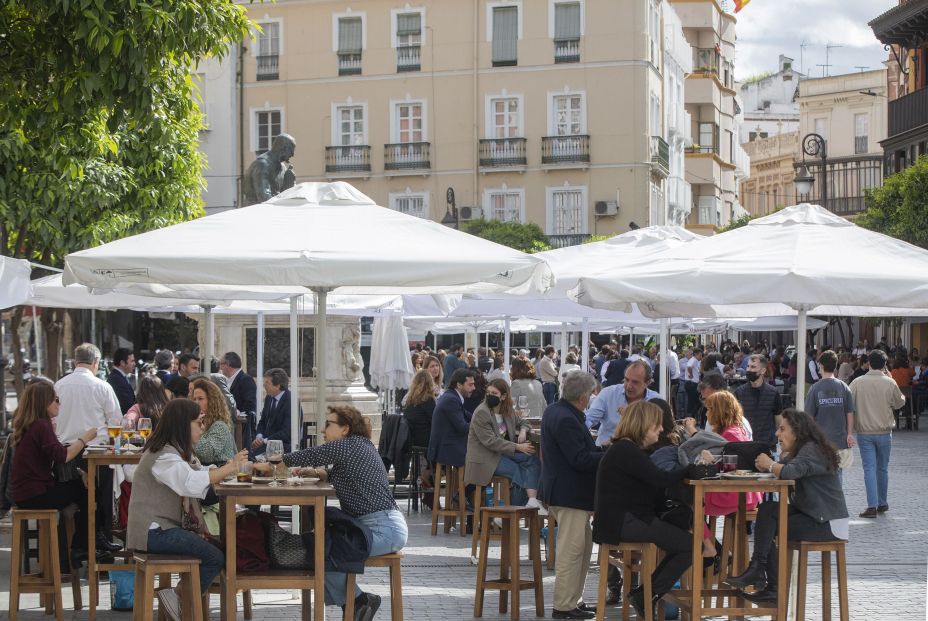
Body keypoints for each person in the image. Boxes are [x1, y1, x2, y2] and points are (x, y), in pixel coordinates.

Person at [256, 405, 408, 620]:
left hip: (384, 529)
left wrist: (274, 462)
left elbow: (314, 454)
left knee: (324, 551)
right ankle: (358, 604)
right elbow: (340, 473)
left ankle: (358, 602)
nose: (322, 430)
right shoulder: (357, 447)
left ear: (345, 429)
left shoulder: (349, 445)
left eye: (328, 424)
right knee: (319, 547)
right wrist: (319, 473)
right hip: (377, 525)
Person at [127, 398, 248, 621]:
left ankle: (181, 600)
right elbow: (190, 482)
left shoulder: (178, 452)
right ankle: (180, 600)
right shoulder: (163, 455)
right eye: (199, 422)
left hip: (162, 529)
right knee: (214, 555)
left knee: (224, 547)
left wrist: (227, 471)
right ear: (184, 424)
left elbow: (201, 474)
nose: (203, 428)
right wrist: (231, 467)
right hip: (153, 532)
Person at [726, 409, 849, 604]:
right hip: (813, 515)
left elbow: (789, 472)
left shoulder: (811, 449)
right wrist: (769, 465)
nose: (777, 434)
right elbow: (782, 468)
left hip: (828, 522)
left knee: (770, 521)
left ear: (797, 431)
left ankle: (764, 578)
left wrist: (770, 465)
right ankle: (765, 578)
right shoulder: (801, 450)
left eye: (782, 429)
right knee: (768, 511)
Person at [594, 400, 694, 619]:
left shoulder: (625, 448)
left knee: (683, 541)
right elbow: (660, 479)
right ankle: (646, 594)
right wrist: (692, 469)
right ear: (643, 424)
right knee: (689, 546)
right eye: (656, 425)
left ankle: (646, 593)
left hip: (623, 521)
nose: (660, 429)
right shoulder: (626, 450)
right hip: (626, 522)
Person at [11, 381, 98, 569]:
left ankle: (68, 556)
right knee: (87, 491)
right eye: (56, 400)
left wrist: (78, 471)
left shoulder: (32, 425)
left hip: (26, 494)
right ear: (44, 402)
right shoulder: (41, 426)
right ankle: (82, 546)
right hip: (35, 495)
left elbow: (52, 457)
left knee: (78, 487)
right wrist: (85, 438)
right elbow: (62, 456)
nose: (59, 404)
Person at [540, 371, 603, 619]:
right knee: (571, 551)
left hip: (567, 493)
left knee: (583, 549)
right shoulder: (566, 417)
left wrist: (600, 450)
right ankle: (563, 606)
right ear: (583, 396)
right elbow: (578, 459)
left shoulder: (557, 411)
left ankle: (573, 599)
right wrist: (607, 455)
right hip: (569, 494)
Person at [54, 343, 123, 552]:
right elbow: (116, 422)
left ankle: (66, 559)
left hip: (64, 453)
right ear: (96, 363)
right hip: (96, 454)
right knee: (100, 503)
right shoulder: (102, 387)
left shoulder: (59, 385)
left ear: (75, 361)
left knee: (66, 504)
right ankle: (101, 556)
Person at [464, 379, 543, 511]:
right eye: (488, 392)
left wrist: (523, 430)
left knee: (533, 461)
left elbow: (524, 422)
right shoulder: (482, 412)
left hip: (503, 455)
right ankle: (510, 511)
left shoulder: (507, 411)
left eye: (494, 393)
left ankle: (531, 501)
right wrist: (518, 447)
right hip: (486, 459)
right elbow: (491, 441)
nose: (490, 395)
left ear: (503, 396)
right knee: (520, 472)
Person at [849, 349, 904, 518]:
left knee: (869, 468)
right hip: (885, 431)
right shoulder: (889, 382)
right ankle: (882, 502)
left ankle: (871, 505)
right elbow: (899, 403)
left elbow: (848, 402)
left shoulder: (857, 382)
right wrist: (891, 380)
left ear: (869, 363)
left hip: (865, 431)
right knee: (883, 468)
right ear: (885, 364)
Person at [804, 350, 855, 484]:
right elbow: (850, 412)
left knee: (820, 475)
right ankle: (836, 501)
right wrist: (849, 434)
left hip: (820, 441)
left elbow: (809, 417)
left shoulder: (814, 389)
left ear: (820, 366)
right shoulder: (844, 387)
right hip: (839, 439)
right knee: (837, 473)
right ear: (835, 366)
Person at [585, 360, 658, 447]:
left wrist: (632, 415)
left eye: (635, 382)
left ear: (648, 383)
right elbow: (589, 419)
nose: (628, 385)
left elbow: (659, 431)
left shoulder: (655, 400)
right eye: (626, 380)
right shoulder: (608, 393)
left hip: (642, 452)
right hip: (606, 452)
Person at [733, 354, 783, 451]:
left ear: (763, 371)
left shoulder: (773, 393)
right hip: (745, 445)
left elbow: (778, 421)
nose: (749, 370)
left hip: (767, 446)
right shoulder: (739, 392)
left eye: (753, 367)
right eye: (748, 366)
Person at [427, 369, 476, 468]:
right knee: (481, 455)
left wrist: (481, 418)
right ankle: (473, 483)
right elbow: (462, 428)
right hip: (447, 448)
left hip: (446, 445)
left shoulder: (451, 395)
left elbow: (469, 416)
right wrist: (481, 423)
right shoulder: (451, 400)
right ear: (459, 385)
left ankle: (469, 483)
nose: (474, 388)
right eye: (470, 385)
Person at [251, 368, 299, 455]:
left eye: (267, 383)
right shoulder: (269, 398)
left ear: (278, 386)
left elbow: (287, 432)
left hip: (283, 447)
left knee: (252, 460)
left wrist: (265, 441)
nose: (264, 385)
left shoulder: (291, 401)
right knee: (247, 458)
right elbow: (263, 421)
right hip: (266, 445)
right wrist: (259, 437)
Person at [190, 378, 236, 466]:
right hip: (202, 474)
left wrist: (199, 432)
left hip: (221, 476)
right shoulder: (195, 423)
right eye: (194, 399)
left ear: (212, 401)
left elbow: (206, 455)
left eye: (200, 399)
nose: (196, 403)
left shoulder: (219, 426)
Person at [107, 347, 137, 414]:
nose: (134, 364)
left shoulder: (120, 377)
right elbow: (126, 405)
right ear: (122, 362)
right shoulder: (116, 379)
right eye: (132, 361)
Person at [684, 347, 704, 417]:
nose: (701, 357)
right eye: (700, 355)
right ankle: (690, 417)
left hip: (692, 383)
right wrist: (691, 374)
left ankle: (691, 416)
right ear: (695, 354)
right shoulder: (694, 360)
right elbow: (689, 367)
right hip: (692, 383)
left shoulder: (694, 360)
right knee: (694, 402)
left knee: (694, 402)